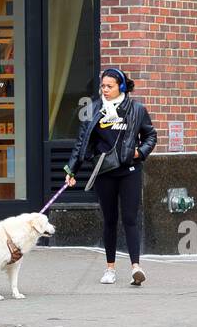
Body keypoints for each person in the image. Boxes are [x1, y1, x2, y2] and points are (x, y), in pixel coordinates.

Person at [64, 68, 158, 286]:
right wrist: (72, 170)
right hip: (104, 172)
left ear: (121, 87)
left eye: (110, 86)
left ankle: (136, 267)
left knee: (130, 218)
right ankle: (110, 269)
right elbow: (82, 141)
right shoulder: (96, 109)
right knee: (110, 220)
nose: (105, 90)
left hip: (129, 171)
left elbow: (150, 135)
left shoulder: (136, 110)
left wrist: (139, 152)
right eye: (102, 86)